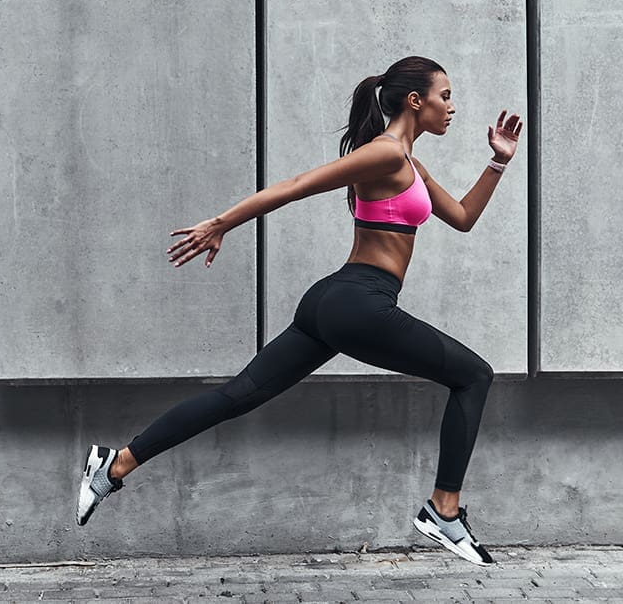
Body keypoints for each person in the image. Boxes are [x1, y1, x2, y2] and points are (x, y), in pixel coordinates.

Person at [77, 56, 521, 566]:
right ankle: (443, 509)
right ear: (415, 101)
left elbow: (462, 217)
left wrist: (498, 162)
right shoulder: (384, 153)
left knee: (236, 397)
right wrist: (221, 223)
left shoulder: (410, 164)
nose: (452, 106)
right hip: (359, 302)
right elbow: (296, 185)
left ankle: (114, 465)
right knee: (474, 376)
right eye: (445, 95)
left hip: (335, 301)